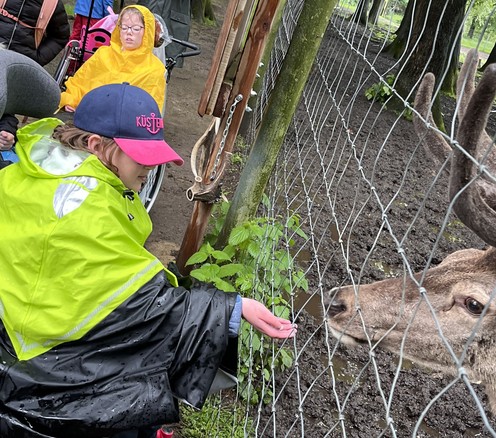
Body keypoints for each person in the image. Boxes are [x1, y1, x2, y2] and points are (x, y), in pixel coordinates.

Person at [0, 82, 297, 437]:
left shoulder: (40, 165)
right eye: (141, 155)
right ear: (98, 146)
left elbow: (106, 270)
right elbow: (136, 307)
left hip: (16, 322)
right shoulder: (86, 206)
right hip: (40, 356)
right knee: (128, 393)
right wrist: (230, 309)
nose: (151, 167)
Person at [59, 5, 166, 112]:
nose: (129, 32)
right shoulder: (103, 54)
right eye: (124, 27)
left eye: (136, 28)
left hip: (126, 124)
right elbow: (80, 82)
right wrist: (72, 100)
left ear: (147, 32)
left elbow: (151, 109)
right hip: (90, 115)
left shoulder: (155, 69)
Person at [0, 0, 70, 150]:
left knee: (9, 99)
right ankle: (6, 132)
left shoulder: (52, 4)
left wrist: (36, 59)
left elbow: (61, 36)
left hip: (19, 67)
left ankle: (6, 133)